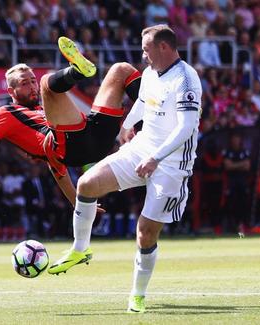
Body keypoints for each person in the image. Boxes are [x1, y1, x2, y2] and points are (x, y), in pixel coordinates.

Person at [48, 25, 202, 314]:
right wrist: (127, 128)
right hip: (142, 149)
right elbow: (142, 105)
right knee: (87, 184)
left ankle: (137, 295)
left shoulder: (185, 78)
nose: (143, 55)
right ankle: (81, 248)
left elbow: (186, 127)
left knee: (145, 232)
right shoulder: (148, 75)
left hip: (171, 163)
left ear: (164, 48)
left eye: (146, 49)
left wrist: (155, 157)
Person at [0, 37, 141, 210]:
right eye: (25, 83)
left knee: (121, 69)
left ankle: (153, 117)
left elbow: (57, 168)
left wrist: (77, 202)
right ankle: (77, 71)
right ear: (10, 91)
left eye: (32, 81)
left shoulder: (44, 112)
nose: (32, 86)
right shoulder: (7, 113)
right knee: (48, 82)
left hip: (95, 136)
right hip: (73, 145)